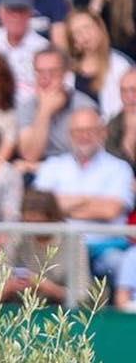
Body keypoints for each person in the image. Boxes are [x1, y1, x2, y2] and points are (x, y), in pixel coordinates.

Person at [33, 105, 135, 281]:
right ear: (69, 134)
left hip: (104, 247)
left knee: (122, 265)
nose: (83, 136)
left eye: (90, 130)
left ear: (102, 133)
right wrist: (90, 201)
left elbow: (110, 211)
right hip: (59, 248)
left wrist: (60, 207)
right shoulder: (52, 166)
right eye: (78, 131)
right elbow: (39, 208)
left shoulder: (119, 168)